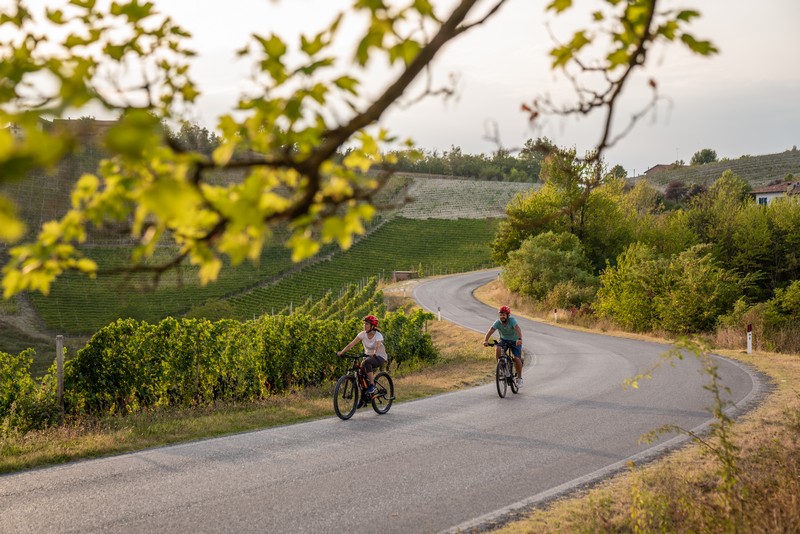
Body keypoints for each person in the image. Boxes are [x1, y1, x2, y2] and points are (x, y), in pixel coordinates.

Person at [338, 314, 388, 399]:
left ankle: (372, 385)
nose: (365, 326)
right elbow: (351, 344)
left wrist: (374, 352)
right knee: (360, 376)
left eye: (367, 324)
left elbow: (377, 345)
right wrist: (342, 352)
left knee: (367, 362)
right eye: (364, 324)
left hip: (379, 357)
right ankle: (363, 398)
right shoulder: (362, 334)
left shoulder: (378, 335)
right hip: (367, 356)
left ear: (372, 326)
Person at [483, 305, 524, 387]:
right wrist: (486, 340)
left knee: (516, 358)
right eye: (501, 315)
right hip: (504, 340)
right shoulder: (497, 322)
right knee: (498, 348)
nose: (502, 316)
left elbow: (517, 328)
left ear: (508, 315)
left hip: (515, 341)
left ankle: (519, 378)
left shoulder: (512, 320)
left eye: (504, 314)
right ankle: (502, 369)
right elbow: (491, 330)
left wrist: (519, 339)